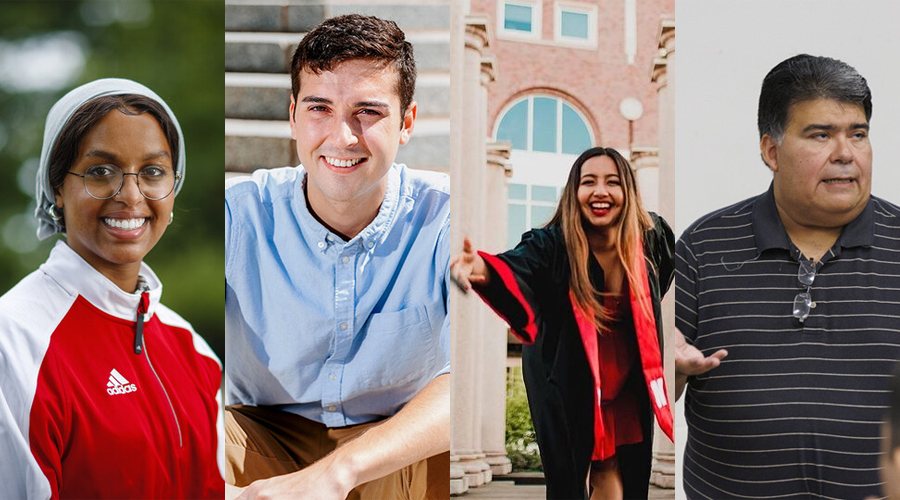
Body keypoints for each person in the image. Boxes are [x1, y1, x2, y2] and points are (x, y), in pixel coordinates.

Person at [224, 14, 449, 500]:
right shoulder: (237, 215)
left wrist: (336, 473)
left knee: (450, 443)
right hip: (263, 433)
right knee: (183, 434)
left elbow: (468, 382)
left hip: (392, 444)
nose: (342, 136)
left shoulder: (449, 219)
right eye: (319, 108)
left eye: (367, 111)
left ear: (407, 122)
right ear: (292, 117)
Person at [675, 54, 900, 499]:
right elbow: (650, 387)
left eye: (858, 134)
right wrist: (671, 372)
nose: (845, 153)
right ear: (771, 151)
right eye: (821, 135)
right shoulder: (703, 246)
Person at [0, 78, 224, 498]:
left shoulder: (194, 350)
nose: (131, 195)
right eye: (101, 171)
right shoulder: (13, 340)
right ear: (57, 189)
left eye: (153, 172)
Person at [451, 147, 674, 500]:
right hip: (567, 372)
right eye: (589, 182)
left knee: (622, 471)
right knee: (571, 476)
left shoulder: (653, 237)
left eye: (612, 182)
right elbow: (516, 268)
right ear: (574, 192)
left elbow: (659, 283)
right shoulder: (552, 244)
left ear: (628, 191)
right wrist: (480, 268)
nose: (600, 191)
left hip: (626, 377)